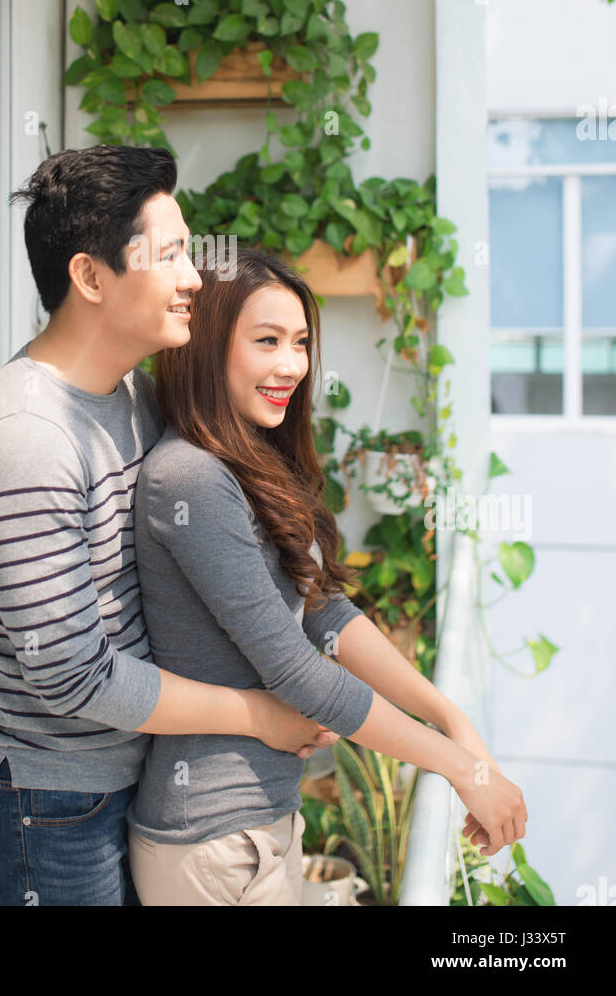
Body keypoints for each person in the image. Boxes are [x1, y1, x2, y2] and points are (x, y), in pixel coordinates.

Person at [0, 145, 337, 907]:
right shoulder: (25, 435)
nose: (193, 277)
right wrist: (258, 715)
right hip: (40, 810)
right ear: (90, 277)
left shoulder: (132, 396)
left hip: (125, 784)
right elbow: (69, 673)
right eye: (172, 255)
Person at [126, 247, 528, 906]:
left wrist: (451, 718)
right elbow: (296, 670)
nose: (291, 364)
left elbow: (325, 613)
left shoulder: (248, 460)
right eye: (266, 342)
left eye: (300, 342)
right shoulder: (189, 476)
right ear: (204, 349)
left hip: (261, 824)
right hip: (211, 839)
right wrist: (462, 768)